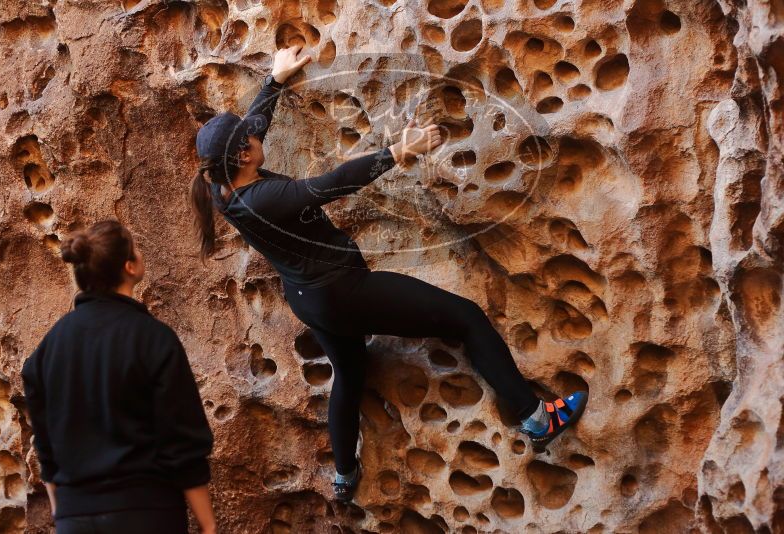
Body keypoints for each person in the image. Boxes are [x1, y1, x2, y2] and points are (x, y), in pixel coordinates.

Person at [189, 45, 587, 502]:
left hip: (308, 301)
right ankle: (537, 418)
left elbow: (252, 130)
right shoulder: (265, 197)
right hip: (345, 292)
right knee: (466, 317)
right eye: (246, 137)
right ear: (242, 155)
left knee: (350, 372)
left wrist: (274, 81)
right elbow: (333, 183)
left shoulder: (220, 188)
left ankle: (343, 475)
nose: (255, 132)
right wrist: (402, 149)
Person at [21, 220, 216, 533]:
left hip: (76, 517)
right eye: (137, 250)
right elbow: (182, 440)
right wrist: (208, 525)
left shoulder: (50, 345)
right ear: (129, 266)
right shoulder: (154, 338)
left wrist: (64, 512)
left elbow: (45, 442)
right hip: (146, 513)